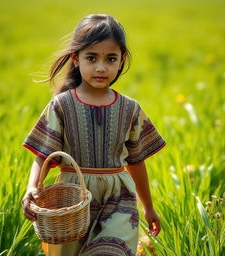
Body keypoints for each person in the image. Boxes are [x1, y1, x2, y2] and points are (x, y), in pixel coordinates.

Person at [21, 14, 167, 256]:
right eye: (92, 58)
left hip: (119, 198)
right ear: (75, 58)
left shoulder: (130, 108)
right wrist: (31, 188)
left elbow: (137, 161)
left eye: (111, 58)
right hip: (73, 199)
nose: (101, 67)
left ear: (122, 60)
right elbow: (43, 155)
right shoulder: (62, 106)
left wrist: (148, 208)